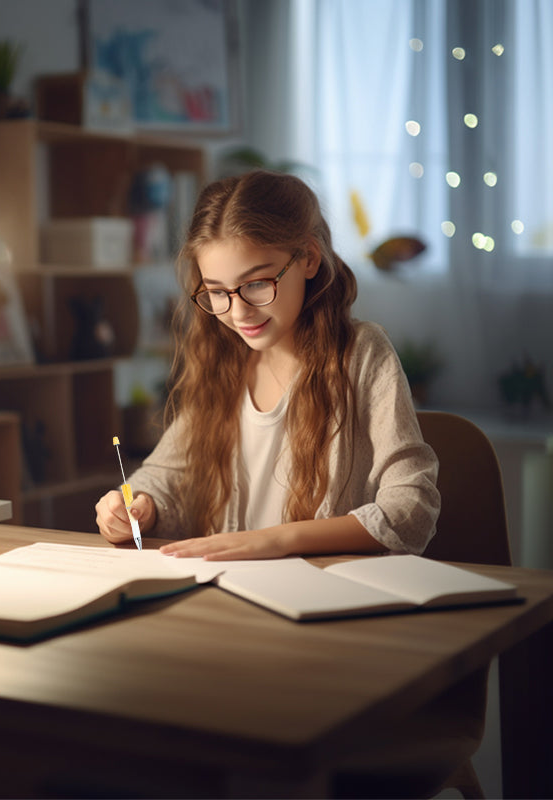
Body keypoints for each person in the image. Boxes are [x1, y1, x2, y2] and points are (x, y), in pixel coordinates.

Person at [95, 170, 440, 560]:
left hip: (323, 600)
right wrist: (136, 506)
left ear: (308, 258)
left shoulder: (361, 354)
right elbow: (165, 475)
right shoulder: (223, 359)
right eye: (217, 292)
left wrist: (278, 539)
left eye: (257, 283)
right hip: (231, 597)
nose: (238, 312)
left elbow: (412, 506)